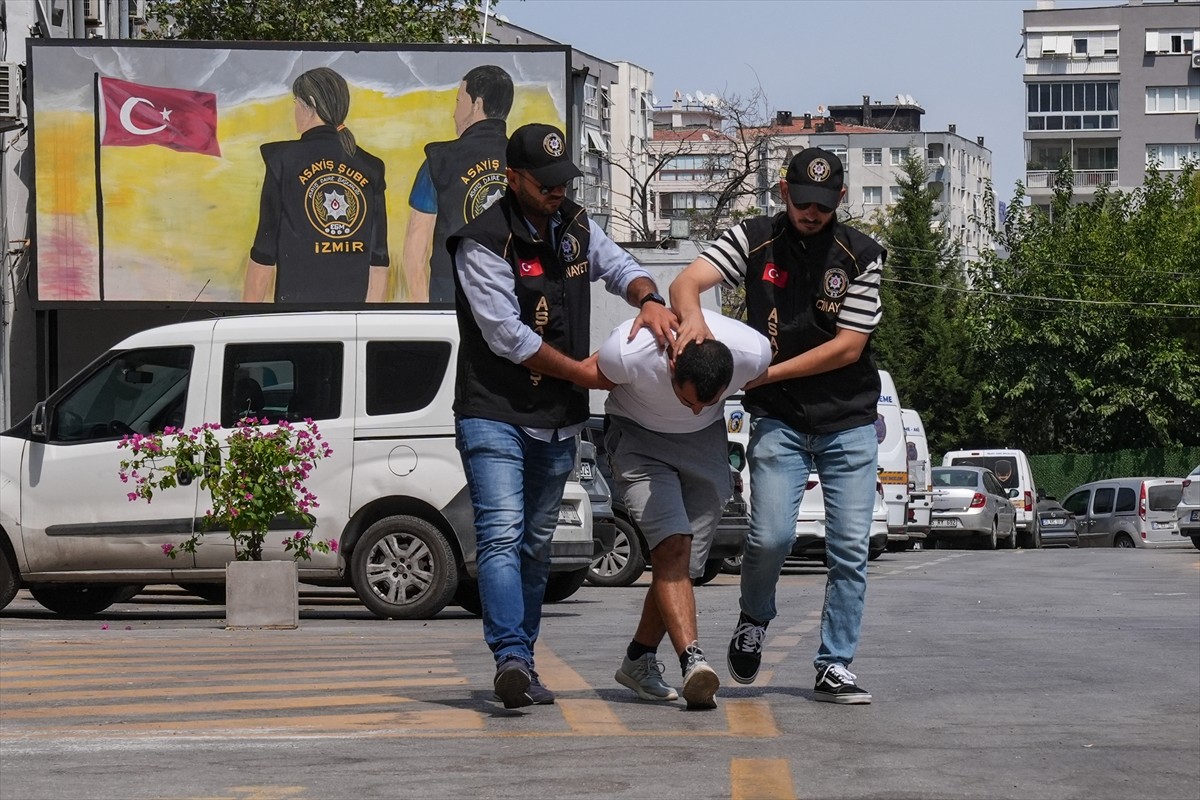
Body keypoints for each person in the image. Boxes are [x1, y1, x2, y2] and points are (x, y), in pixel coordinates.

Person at [449, 123, 675, 709]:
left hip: (556, 419)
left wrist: (649, 298)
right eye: (544, 183)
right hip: (494, 411)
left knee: (537, 543)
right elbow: (507, 337)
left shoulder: (575, 224)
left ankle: (523, 660)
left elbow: (622, 267)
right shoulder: (483, 241)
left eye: (562, 182)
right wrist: (586, 374)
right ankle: (512, 659)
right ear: (512, 178)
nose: (556, 192)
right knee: (501, 535)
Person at [670, 147, 887, 705]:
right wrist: (692, 311)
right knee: (768, 537)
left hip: (847, 420)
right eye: (802, 202)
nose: (811, 214)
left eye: (823, 204)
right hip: (780, 420)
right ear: (783, 192)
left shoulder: (862, 256)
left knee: (848, 548)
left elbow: (847, 348)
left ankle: (834, 663)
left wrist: (762, 374)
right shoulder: (754, 237)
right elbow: (687, 281)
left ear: (840, 199)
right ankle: (754, 617)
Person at [599, 309, 771, 710]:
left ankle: (639, 658)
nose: (694, 408)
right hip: (638, 437)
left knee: (683, 565)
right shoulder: (629, 350)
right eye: (688, 399)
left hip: (704, 444)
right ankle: (692, 661)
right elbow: (589, 374)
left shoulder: (752, 351)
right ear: (672, 362)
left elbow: (766, 375)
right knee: (672, 545)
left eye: (706, 402)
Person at [243, 67, 389, 304]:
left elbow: (264, 249)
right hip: (351, 319)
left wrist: (245, 320)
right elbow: (379, 257)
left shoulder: (282, 159)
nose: (294, 110)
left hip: (296, 316)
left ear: (309, 103)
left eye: (295, 102)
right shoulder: (371, 166)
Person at [403, 65, 513, 303]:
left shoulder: (438, 161)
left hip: (449, 305)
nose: (454, 112)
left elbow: (416, 250)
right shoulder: (524, 161)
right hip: (511, 306)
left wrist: (424, 313)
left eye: (458, 101)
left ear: (477, 104)